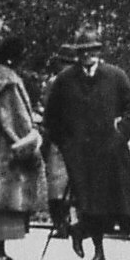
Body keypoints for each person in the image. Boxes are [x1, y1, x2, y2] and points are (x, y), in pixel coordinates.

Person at [42, 26, 130, 260]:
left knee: (111, 205)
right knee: (88, 203)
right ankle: (98, 251)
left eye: (91, 50)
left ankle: (79, 232)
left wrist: (121, 134)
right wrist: (65, 143)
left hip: (110, 151)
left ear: (99, 51)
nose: (87, 55)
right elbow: (51, 117)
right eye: (82, 51)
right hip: (79, 154)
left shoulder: (115, 76)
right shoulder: (65, 80)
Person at [0, 37, 45, 260]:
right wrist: (28, 139)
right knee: (6, 198)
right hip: (10, 147)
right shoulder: (9, 84)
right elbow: (15, 117)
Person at [39, 46, 75, 241]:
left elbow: (48, 112)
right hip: (69, 137)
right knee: (65, 181)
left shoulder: (55, 83)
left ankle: (62, 223)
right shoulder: (79, 82)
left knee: (57, 182)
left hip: (59, 137)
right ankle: (65, 222)